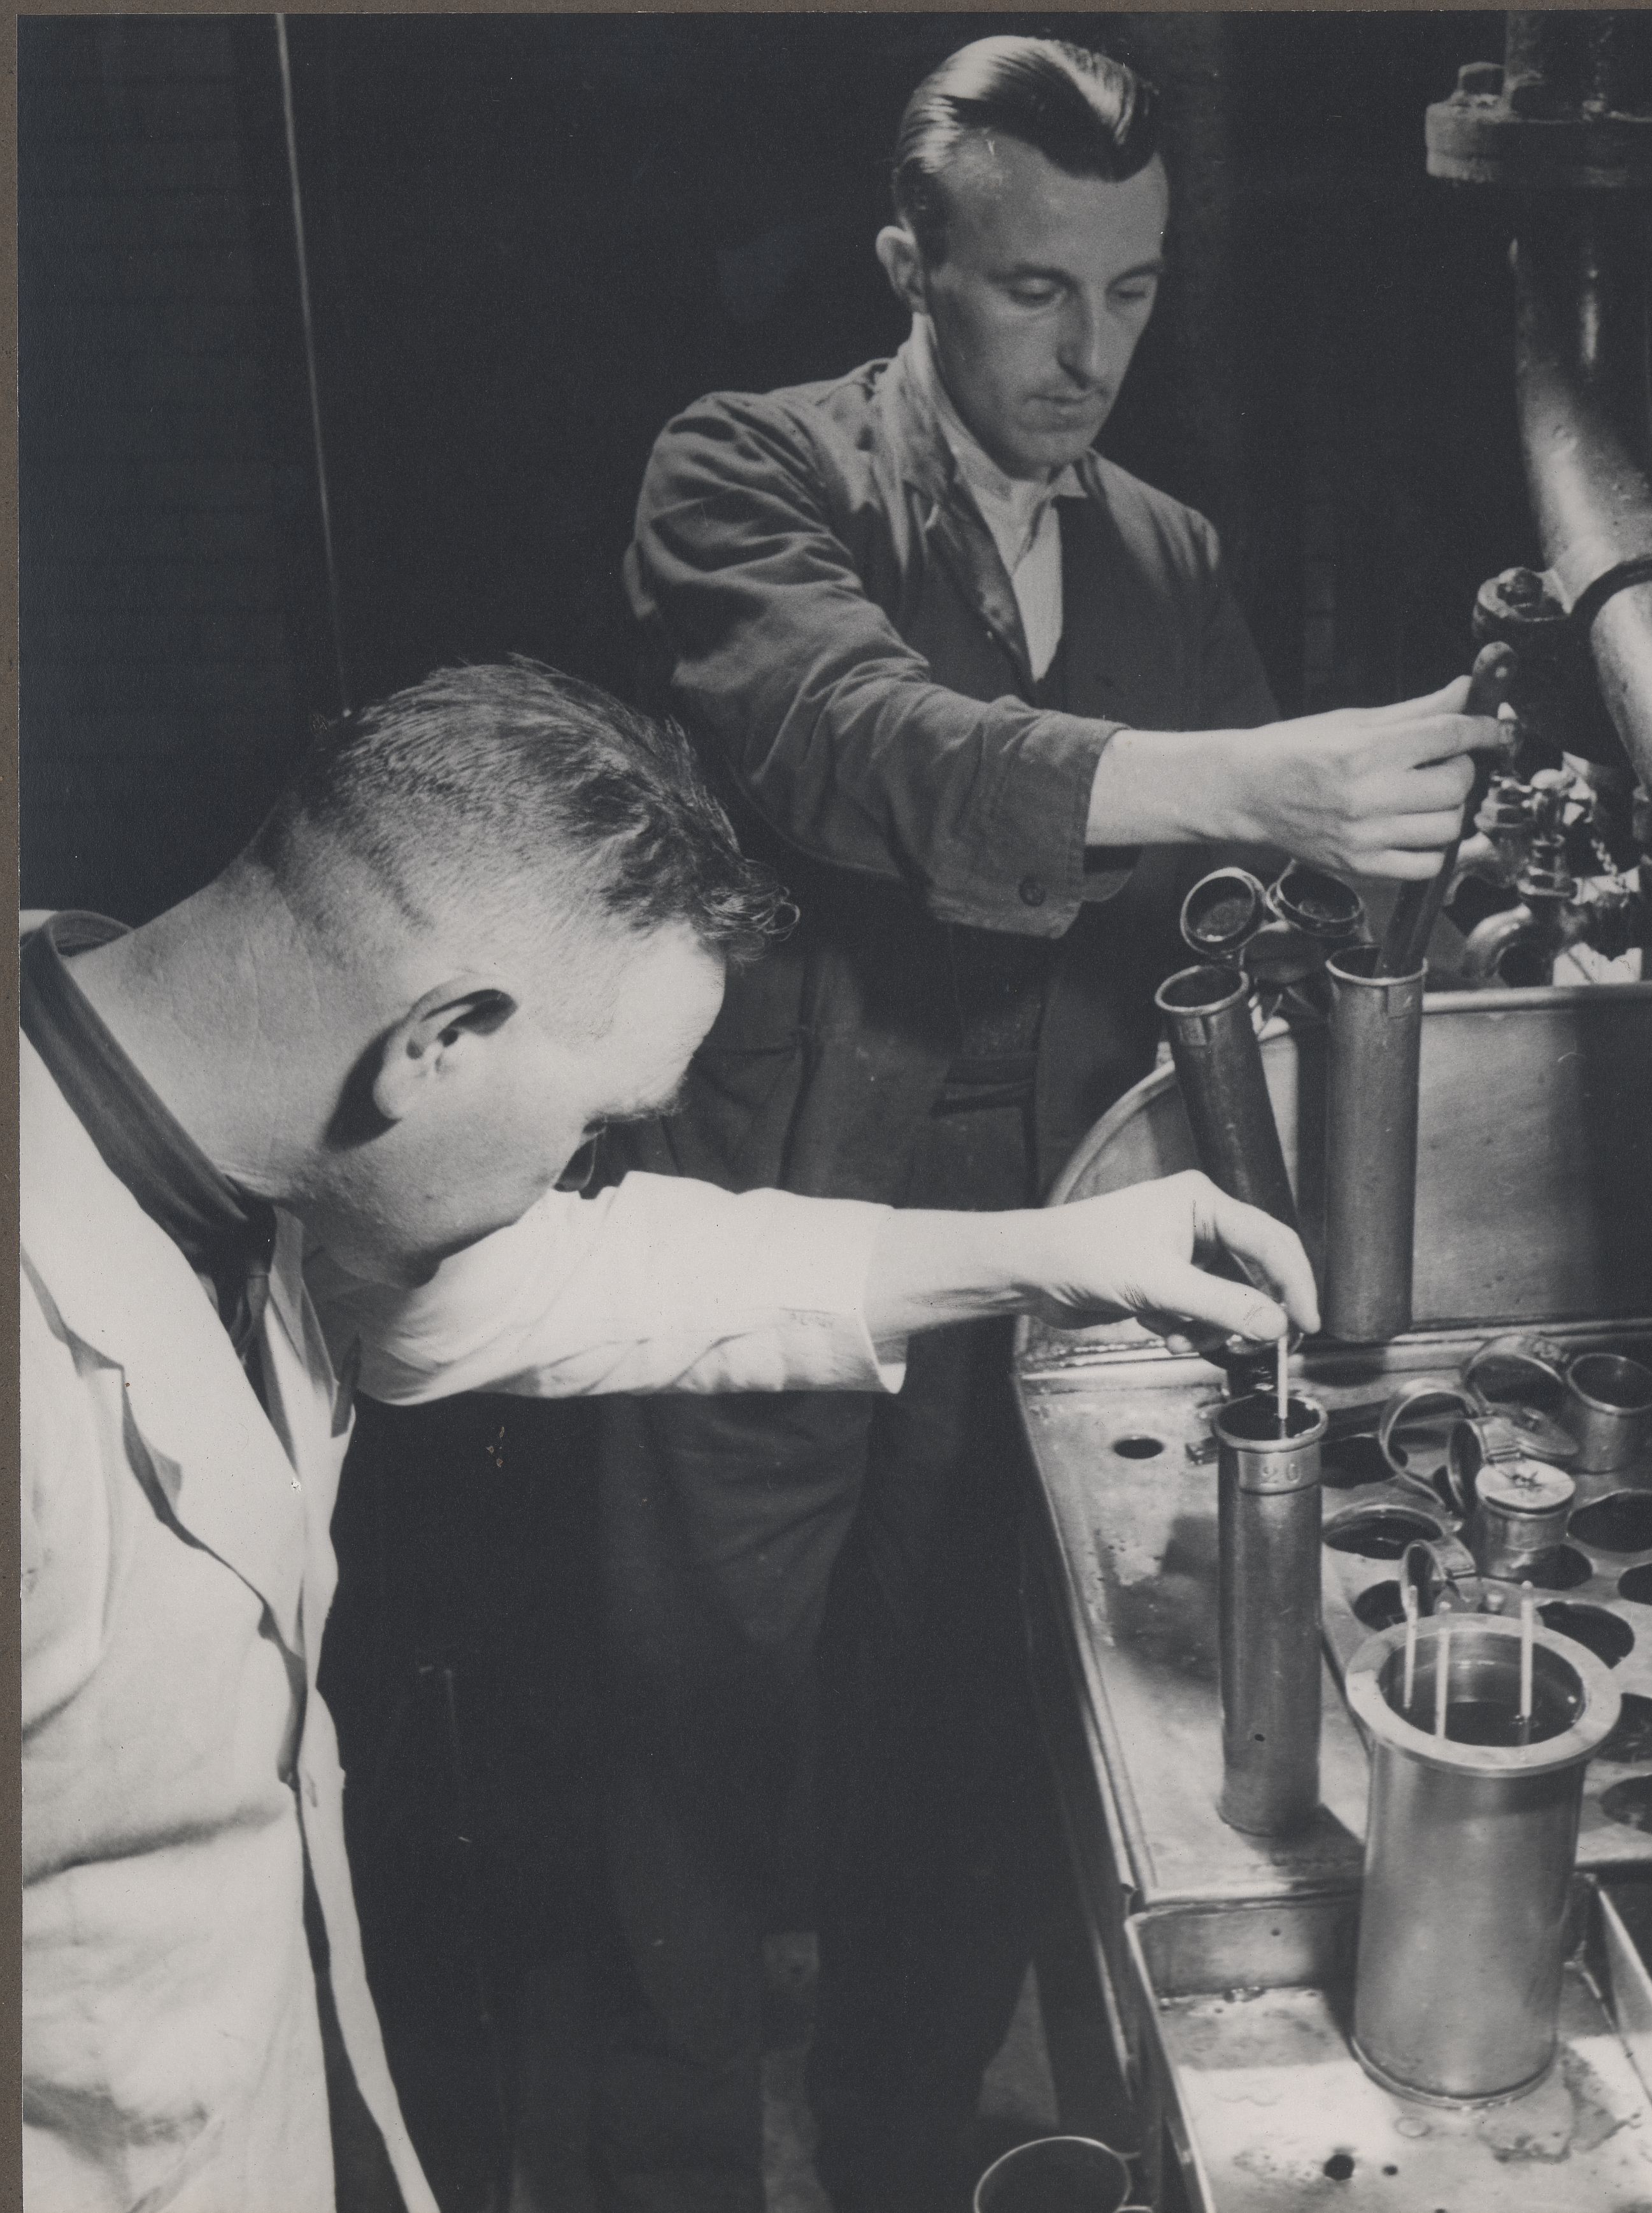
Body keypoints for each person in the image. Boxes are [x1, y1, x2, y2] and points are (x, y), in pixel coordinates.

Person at [17, 657, 1319, 2213]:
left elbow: (593, 1272)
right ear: (438, 1043)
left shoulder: (221, 1126)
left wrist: (1057, 1248)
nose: (586, 1174)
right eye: (590, 1129)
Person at [601, 34, 1504, 2212]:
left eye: (1130, 290)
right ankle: (672, 2162)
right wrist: (1245, 771)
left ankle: (907, 2137)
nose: (1087, 349)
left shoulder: (1165, 548)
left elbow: (1241, 890)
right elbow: (863, 748)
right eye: (1031, 292)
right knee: (692, 1763)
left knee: (975, 1738)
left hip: (1057, 1247)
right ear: (909, 260)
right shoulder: (741, 475)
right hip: (771, 1230)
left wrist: (1428, 857)